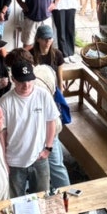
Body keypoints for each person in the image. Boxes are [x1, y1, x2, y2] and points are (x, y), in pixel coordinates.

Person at [0, 60, 58, 198]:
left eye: (29, 80)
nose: (26, 85)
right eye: (21, 81)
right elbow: (2, 133)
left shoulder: (43, 95)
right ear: (13, 79)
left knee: (42, 198)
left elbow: (51, 121)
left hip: (39, 157)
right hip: (14, 161)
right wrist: (3, 160)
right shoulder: (5, 101)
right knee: (16, 200)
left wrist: (48, 148)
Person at [31, 63, 70, 191]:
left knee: (50, 166)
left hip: (46, 131)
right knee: (57, 166)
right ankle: (66, 194)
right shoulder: (45, 70)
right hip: (51, 130)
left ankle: (63, 192)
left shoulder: (35, 87)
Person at [30, 24, 64, 90]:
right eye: (44, 39)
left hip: (52, 87)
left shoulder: (58, 54)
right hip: (36, 88)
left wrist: (61, 93)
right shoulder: (30, 55)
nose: (47, 41)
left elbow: (60, 78)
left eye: (50, 38)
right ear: (37, 39)